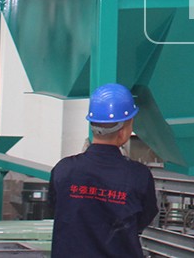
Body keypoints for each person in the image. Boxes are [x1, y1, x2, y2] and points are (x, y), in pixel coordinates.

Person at [48, 83, 158, 258]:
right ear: (123, 131)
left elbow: (56, 208)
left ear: (92, 124)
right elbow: (145, 217)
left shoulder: (64, 169)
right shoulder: (138, 176)